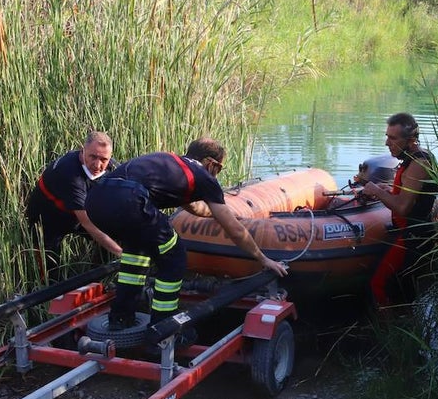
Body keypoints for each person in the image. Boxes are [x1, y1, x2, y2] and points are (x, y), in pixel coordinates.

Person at [84, 137, 288, 329]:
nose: (216, 173)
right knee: (174, 258)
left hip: (96, 201)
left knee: (136, 253)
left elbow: (195, 208)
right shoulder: (204, 177)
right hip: (131, 201)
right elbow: (234, 231)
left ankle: (121, 317)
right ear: (210, 162)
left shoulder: (172, 166)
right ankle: (163, 328)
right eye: (218, 168)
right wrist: (263, 259)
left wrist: (224, 214)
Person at [362, 112, 438, 308]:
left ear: (411, 140)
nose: (387, 143)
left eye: (392, 138)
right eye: (387, 136)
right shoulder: (412, 159)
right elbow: (412, 196)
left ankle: (392, 330)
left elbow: (403, 207)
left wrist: (374, 190)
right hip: (409, 234)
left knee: (380, 285)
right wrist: (388, 190)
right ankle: (405, 325)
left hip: (414, 237)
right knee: (400, 290)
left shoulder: (419, 163)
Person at [25, 131, 122, 282]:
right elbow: (87, 223)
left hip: (76, 213)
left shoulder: (112, 167)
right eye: (93, 157)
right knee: (49, 272)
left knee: (113, 233)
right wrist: (121, 253)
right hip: (47, 219)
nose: (97, 165)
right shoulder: (71, 175)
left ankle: (96, 281)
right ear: (82, 151)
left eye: (104, 159)